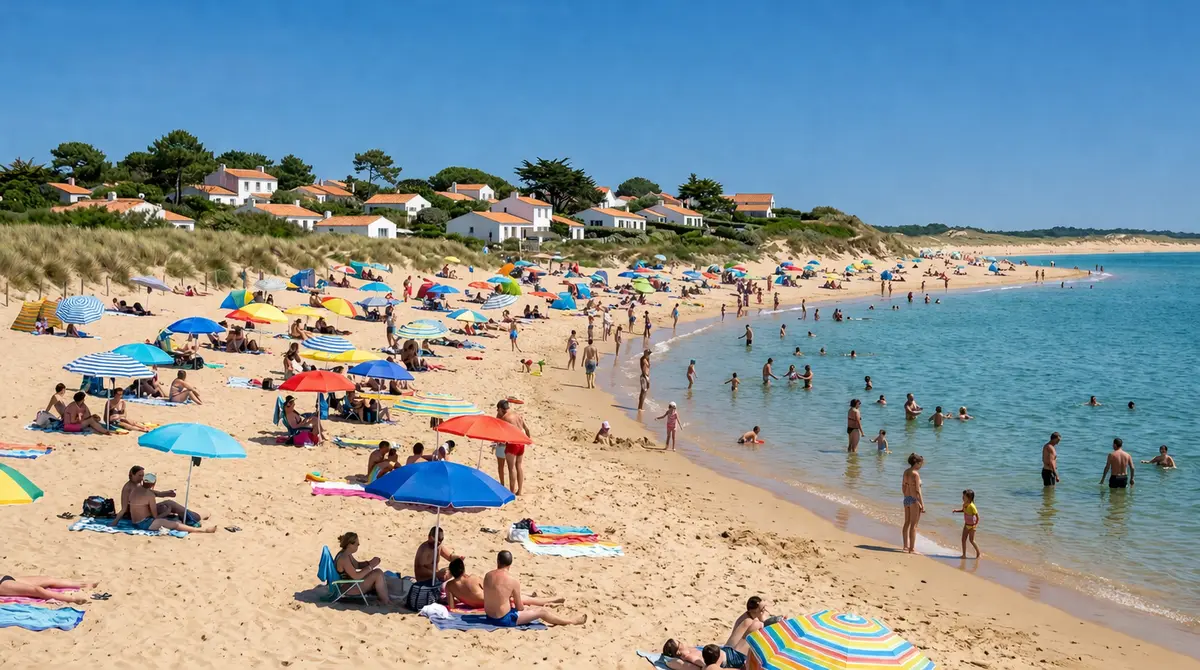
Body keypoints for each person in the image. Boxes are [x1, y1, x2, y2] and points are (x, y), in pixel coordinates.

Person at [483, 551, 586, 627]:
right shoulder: (512, 581)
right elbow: (520, 608)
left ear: (497, 561)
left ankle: (549, 602)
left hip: (489, 616)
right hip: (503, 620)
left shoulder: (487, 576)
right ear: (510, 564)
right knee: (542, 612)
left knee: (528, 609)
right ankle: (570, 622)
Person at [112, 465, 214, 533]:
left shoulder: (139, 487)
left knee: (169, 504)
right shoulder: (129, 488)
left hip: (144, 513)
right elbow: (124, 508)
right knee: (173, 518)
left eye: (142, 476)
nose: (141, 478)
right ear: (132, 474)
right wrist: (115, 522)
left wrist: (166, 493)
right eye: (139, 475)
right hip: (140, 517)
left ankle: (195, 516)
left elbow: (152, 493)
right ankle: (196, 519)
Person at [446, 557, 564, 610]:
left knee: (522, 597)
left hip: (474, 605)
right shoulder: (472, 578)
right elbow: (490, 587)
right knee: (525, 599)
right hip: (490, 601)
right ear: (463, 569)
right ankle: (553, 599)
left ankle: (536, 597)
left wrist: (465, 599)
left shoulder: (449, 586)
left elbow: (452, 606)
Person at [334, 532, 392, 605]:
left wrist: (369, 563)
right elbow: (356, 576)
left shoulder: (345, 553)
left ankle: (384, 598)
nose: (358, 546)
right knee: (378, 573)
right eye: (357, 544)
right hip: (348, 589)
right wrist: (371, 566)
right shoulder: (344, 558)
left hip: (349, 585)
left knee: (377, 573)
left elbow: (357, 565)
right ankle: (385, 601)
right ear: (349, 545)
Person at [497, 399, 531, 495]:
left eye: (497, 410)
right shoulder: (517, 415)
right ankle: (519, 491)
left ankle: (511, 492)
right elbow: (527, 429)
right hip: (521, 441)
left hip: (512, 443)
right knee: (519, 466)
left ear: (500, 408)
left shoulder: (505, 418)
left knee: (511, 468)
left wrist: (500, 442)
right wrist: (528, 440)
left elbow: (501, 434)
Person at [0, 575, 97, 605]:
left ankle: (83, 584)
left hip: (4, 577)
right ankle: (72, 599)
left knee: (49, 579)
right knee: (37, 590)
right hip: (2, 585)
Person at [660, 639, 749, 670]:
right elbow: (701, 663)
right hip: (731, 659)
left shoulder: (689, 651)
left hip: (727, 654)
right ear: (678, 652)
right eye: (679, 643)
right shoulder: (687, 656)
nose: (682, 642)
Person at [901, 453, 925, 553]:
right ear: (917, 463)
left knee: (906, 523)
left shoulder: (906, 472)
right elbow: (917, 490)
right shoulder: (916, 474)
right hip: (914, 500)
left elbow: (903, 487)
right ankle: (912, 548)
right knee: (914, 525)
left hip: (907, 499)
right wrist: (922, 505)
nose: (921, 466)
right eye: (921, 464)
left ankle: (905, 546)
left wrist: (907, 496)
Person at [953, 489, 982, 559]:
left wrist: (975, 525)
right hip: (966, 525)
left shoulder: (972, 506)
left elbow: (977, 517)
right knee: (963, 540)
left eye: (964, 497)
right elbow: (963, 511)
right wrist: (956, 510)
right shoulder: (964, 504)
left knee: (971, 540)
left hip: (972, 526)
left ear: (969, 498)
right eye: (962, 496)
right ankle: (964, 555)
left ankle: (978, 553)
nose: (962, 498)